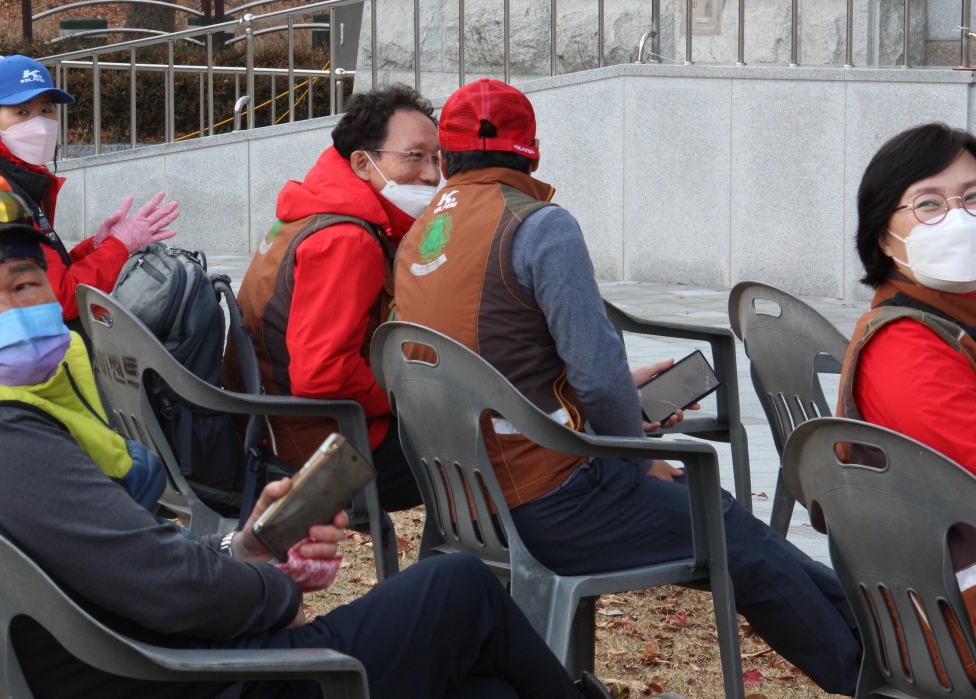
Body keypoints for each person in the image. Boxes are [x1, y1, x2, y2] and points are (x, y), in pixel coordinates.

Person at [0, 173, 608, 699]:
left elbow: (118, 559)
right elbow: (170, 591)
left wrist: (248, 544)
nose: (10, 311)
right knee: (460, 587)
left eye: (25, 285)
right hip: (175, 676)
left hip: (130, 661)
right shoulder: (5, 440)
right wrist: (272, 587)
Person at [394, 78, 862, 695]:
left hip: (467, 500)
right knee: (728, 527)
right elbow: (594, 373)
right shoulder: (539, 226)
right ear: (533, 152)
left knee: (725, 522)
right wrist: (638, 457)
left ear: (446, 156)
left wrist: (610, 396)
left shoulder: (417, 236)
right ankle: (868, 676)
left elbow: (503, 361)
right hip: (549, 502)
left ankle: (888, 649)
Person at [226, 84, 439, 511]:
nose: (432, 175)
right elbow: (321, 375)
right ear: (362, 163)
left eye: (437, 158)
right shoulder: (346, 239)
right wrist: (403, 394)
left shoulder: (311, 210)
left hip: (269, 429)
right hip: (318, 453)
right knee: (485, 450)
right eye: (415, 157)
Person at [838, 121, 976, 654]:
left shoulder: (953, 316)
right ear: (883, 234)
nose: (958, 219)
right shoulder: (905, 347)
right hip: (954, 624)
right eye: (929, 204)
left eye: (972, 198)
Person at [0, 53, 180, 326]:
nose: (40, 125)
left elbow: (46, 272)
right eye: (22, 112)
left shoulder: (5, 174)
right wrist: (118, 247)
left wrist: (96, 247)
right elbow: (54, 299)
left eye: (46, 110)